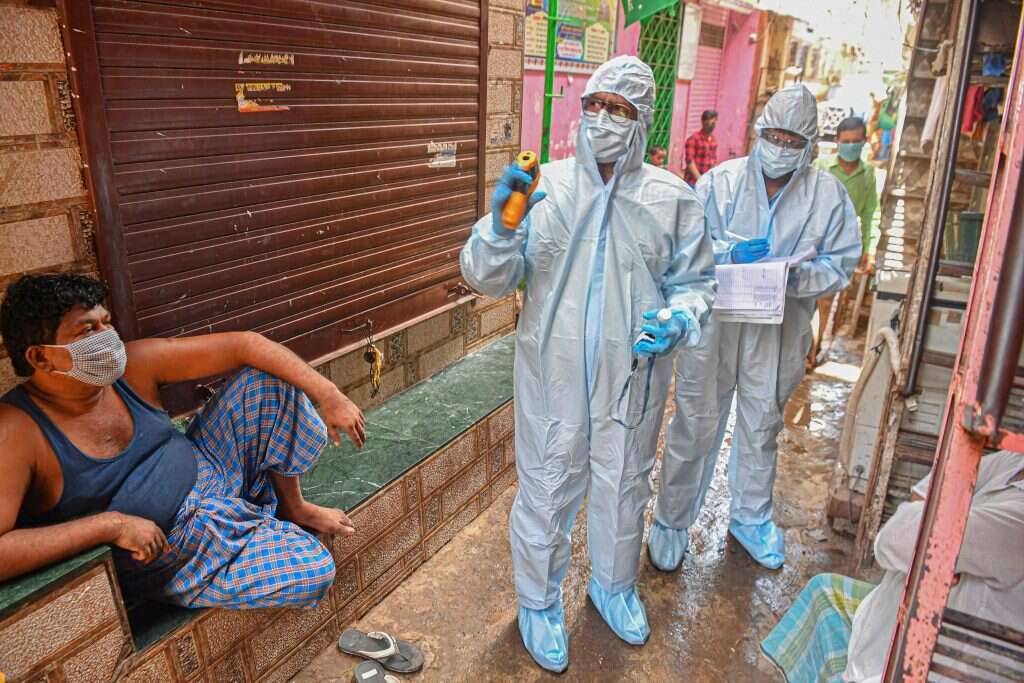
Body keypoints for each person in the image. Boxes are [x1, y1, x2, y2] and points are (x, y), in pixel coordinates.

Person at [460, 55, 716, 672]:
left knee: (625, 485)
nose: (602, 119)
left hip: (633, 376)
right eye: (594, 105)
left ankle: (612, 585)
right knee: (548, 487)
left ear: (643, 121)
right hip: (552, 376)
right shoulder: (542, 187)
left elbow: (696, 282)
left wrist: (681, 317)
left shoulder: (671, 199)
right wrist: (498, 227)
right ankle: (539, 602)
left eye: (619, 110)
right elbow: (487, 278)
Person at [0, 273, 367, 608]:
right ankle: (240, 537)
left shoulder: (133, 365)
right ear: (40, 358)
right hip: (175, 545)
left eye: (106, 323)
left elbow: (245, 345)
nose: (106, 338)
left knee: (267, 384)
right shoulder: (17, 431)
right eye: (87, 331)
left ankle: (291, 508)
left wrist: (329, 394)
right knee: (313, 570)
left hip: (212, 469)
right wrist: (110, 526)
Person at [648, 85, 861, 573]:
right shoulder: (719, 184)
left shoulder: (828, 197)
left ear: (809, 147)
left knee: (761, 424)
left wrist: (795, 277)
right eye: (773, 135)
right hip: (718, 324)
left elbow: (843, 260)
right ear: (758, 132)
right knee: (696, 421)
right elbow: (687, 250)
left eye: (792, 139)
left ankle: (749, 517)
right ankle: (672, 520)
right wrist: (726, 254)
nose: (780, 146)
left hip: (779, 329)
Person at [761, 450, 1024, 682]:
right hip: (893, 617)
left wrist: (930, 536)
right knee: (823, 588)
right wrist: (935, 551)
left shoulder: (1016, 522)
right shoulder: (1009, 464)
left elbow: (894, 538)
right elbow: (917, 500)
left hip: (929, 662)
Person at [813, 116, 878, 269]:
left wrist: (868, 250)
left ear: (864, 141)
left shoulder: (867, 173)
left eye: (856, 142)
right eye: (846, 142)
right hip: (813, 239)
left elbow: (870, 214)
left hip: (844, 245)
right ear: (837, 141)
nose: (851, 146)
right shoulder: (820, 166)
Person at [684, 109, 718, 186]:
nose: (713, 123)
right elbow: (690, 163)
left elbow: (713, 161)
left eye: (715, 120)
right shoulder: (693, 139)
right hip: (693, 182)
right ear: (703, 122)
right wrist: (700, 180)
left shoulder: (713, 140)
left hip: (707, 182)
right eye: (710, 120)